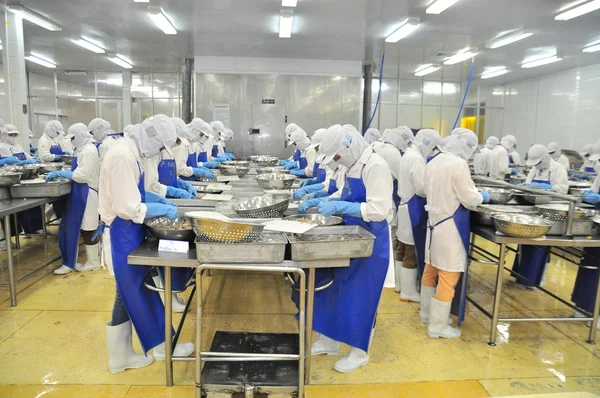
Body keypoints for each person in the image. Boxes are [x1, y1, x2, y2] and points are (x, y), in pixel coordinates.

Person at [99, 115, 194, 374]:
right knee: (127, 293)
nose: (161, 151)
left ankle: (162, 344)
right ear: (152, 139)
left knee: (141, 289)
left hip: (131, 230)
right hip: (122, 232)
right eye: (161, 146)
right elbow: (127, 206)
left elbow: (136, 193)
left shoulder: (131, 151)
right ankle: (120, 356)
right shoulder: (122, 156)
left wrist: (160, 199)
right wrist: (156, 207)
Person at [305, 124, 392, 373]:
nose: (337, 161)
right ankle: (329, 341)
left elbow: (379, 210)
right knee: (335, 289)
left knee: (362, 296)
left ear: (349, 145)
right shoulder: (350, 165)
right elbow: (342, 194)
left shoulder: (375, 166)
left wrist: (345, 208)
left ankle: (360, 352)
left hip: (371, 240)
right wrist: (322, 200)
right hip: (350, 234)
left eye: (337, 156)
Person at [421, 128, 488, 339]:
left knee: (430, 270)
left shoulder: (434, 161)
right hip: (449, 227)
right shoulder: (458, 164)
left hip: (434, 225)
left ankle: (427, 314)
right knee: (448, 275)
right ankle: (437, 326)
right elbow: (468, 198)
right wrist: (482, 196)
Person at [512, 144, 569, 287]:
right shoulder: (534, 169)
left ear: (545, 158)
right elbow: (528, 183)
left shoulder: (558, 169)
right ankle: (521, 276)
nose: (536, 166)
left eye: (538, 163)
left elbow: (563, 190)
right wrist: (525, 186)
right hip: (533, 207)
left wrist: (549, 188)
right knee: (526, 242)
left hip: (550, 209)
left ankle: (535, 281)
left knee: (541, 245)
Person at [47, 124, 101, 275]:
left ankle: (93, 262)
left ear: (81, 136)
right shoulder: (83, 148)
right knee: (81, 227)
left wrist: (64, 174)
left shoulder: (89, 150)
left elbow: (82, 175)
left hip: (87, 193)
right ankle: (87, 261)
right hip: (80, 192)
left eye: (73, 138)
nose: (71, 141)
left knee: (89, 228)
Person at [396, 129, 442, 301]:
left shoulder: (408, 154)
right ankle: (408, 291)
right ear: (427, 143)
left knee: (402, 248)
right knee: (410, 251)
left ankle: (401, 286)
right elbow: (422, 189)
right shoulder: (416, 159)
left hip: (404, 206)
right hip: (412, 208)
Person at [370, 127, 406, 290]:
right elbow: (402, 177)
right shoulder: (392, 153)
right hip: (388, 202)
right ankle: (394, 281)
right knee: (391, 239)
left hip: (375, 203)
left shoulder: (374, 148)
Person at [572, 173, 600, 328]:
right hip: (597, 224)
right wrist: (589, 195)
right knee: (590, 264)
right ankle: (584, 306)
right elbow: (594, 189)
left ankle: (597, 313)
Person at [171, 117, 214, 181]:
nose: (202, 137)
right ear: (194, 130)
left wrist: (199, 167)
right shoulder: (182, 143)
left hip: (191, 179)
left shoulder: (191, 143)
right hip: (184, 179)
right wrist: (195, 170)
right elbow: (179, 168)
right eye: (201, 135)